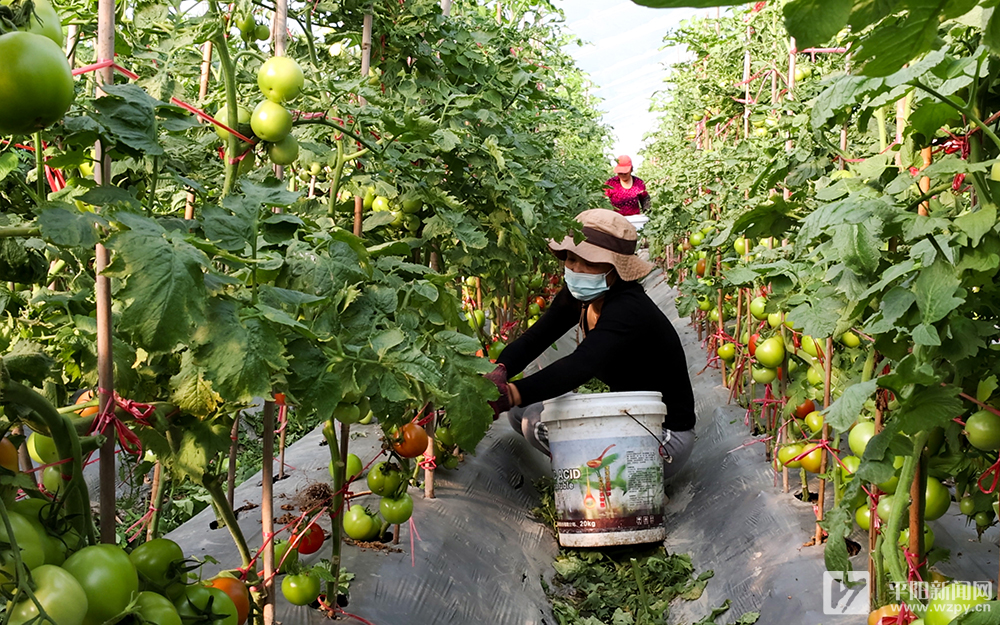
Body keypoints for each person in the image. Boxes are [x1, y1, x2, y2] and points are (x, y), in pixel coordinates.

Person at [484, 209, 696, 482]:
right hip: (633, 417)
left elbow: (580, 365)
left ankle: (612, 488)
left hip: (664, 437)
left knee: (534, 419)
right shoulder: (582, 296)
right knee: (521, 413)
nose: (576, 269)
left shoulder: (628, 309)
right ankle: (602, 482)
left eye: (590, 262)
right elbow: (535, 337)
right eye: (571, 259)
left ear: (615, 269)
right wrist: (501, 370)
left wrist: (511, 393)